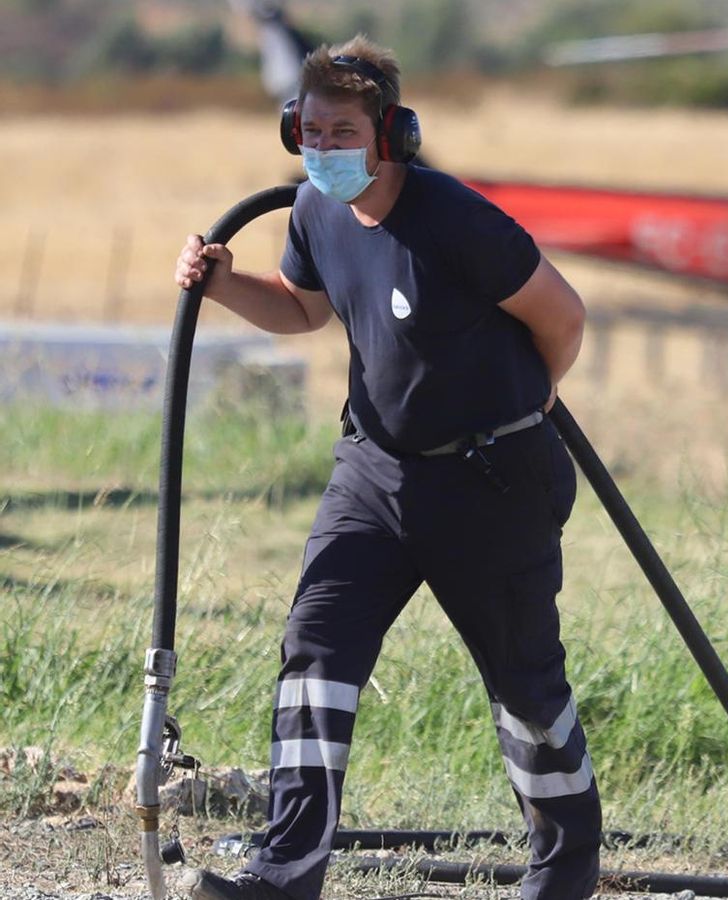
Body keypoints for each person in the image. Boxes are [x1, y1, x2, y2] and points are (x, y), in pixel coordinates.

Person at [173, 36, 598, 900]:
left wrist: (532, 402)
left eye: (342, 131)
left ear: (391, 135)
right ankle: (283, 876)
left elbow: (563, 314)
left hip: (491, 482)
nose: (324, 148)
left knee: (523, 686)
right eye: (311, 131)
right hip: (374, 472)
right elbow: (302, 308)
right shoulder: (313, 212)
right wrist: (221, 284)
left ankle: (563, 874)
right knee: (316, 653)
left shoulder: (455, 220)